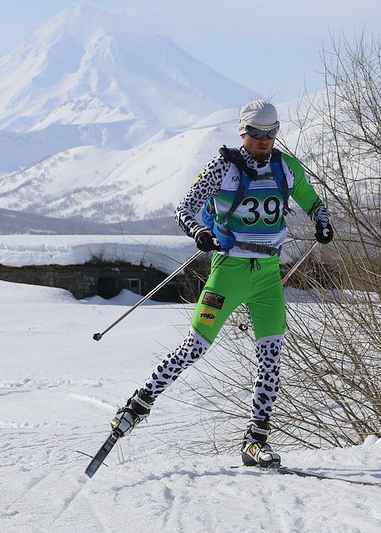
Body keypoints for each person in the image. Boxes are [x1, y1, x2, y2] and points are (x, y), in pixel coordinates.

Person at [109, 99, 333, 467]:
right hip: (228, 271)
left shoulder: (285, 167)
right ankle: (137, 405)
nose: (264, 141)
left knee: (271, 358)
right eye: (257, 134)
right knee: (195, 347)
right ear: (242, 131)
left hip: (267, 276)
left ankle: (256, 440)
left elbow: (311, 200)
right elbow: (184, 209)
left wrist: (321, 219)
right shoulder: (221, 168)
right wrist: (198, 231)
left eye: (271, 133)